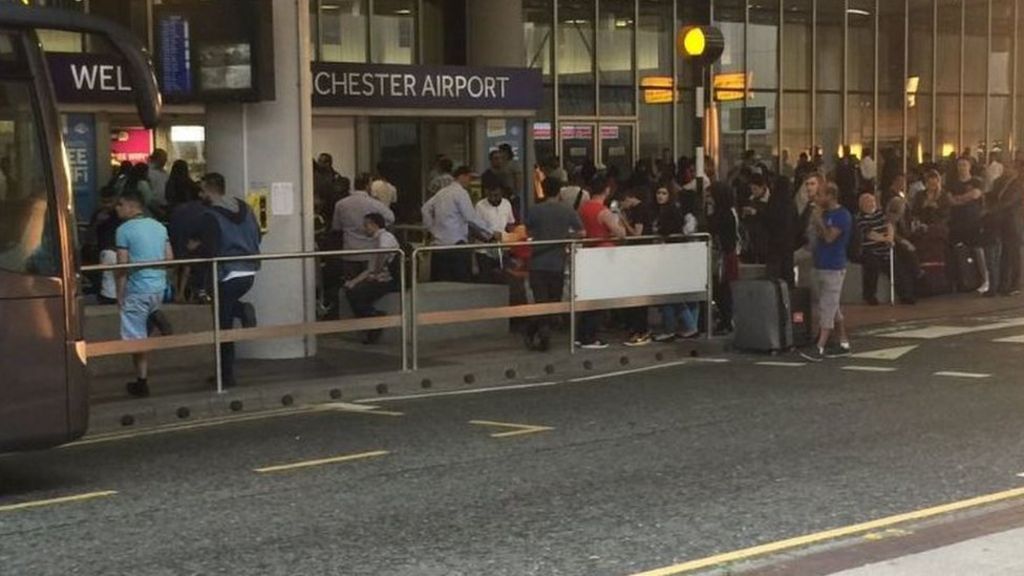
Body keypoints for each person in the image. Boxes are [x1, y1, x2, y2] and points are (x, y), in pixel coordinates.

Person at [192, 173, 261, 388]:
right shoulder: (245, 208)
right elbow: (258, 235)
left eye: (202, 190)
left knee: (223, 325)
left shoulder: (209, 215)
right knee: (226, 315)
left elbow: (210, 250)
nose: (200, 194)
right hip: (248, 270)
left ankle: (225, 376)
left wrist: (195, 250)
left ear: (209, 190)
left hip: (225, 273)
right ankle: (225, 373)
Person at [114, 188, 173, 398]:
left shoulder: (124, 230)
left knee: (134, 338)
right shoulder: (159, 227)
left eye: (120, 204)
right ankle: (155, 317)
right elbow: (169, 258)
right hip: (158, 287)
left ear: (131, 206)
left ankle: (142, 382)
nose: (117, 208)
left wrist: (120, 294)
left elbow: (122, 265)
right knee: (142, 332)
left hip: (137, 289)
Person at [524, 178, 584, 352]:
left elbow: (528, 231)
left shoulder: (535, 210)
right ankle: (542, 333)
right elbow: (581, 232)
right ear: (559, 192)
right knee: (554, 301)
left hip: (537, 261)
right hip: (557, 262)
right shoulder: (567, 210)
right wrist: (565, 238)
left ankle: (538, 332)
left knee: (540, 300)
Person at [800, 183, 853, 362]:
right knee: (832, 305)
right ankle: (843, 342)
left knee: (827, 307)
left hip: (834, 266)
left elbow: (830, 237)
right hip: (820, 263)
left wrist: (818, 221)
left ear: (830, 196)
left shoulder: (841, 215)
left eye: (821, 194)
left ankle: (820, 346)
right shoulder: (824, 213)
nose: (817, 198)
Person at [421, 165, 499, 282]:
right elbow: (471, 217)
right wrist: (490, 232)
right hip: (456, 246)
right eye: (469, 178)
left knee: (440, 285)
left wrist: (431, 228)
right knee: (460, 285)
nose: (470, 182)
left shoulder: (442, 192)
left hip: (439, 245)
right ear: (462, 176)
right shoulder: (461, 193)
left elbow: (425, 209)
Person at [576, 174, 627, 349]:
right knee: (599, 296)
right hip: (604, 254)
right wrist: (619, 219)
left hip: (588, 252)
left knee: (588, 294)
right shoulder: (603, 211)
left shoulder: (584, 207)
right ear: (607, 190)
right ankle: (590, 336)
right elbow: (621, 233)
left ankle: (581, 333)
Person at [651, 187, 701, 342]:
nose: (660, 196)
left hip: (671, 257)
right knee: (682, 294)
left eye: (664, 193)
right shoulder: (677, 212)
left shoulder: (671, 212)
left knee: (670, 294)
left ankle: (682, 326)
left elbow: (669, 230)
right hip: (682, 257)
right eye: (658, 192)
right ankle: (685, 325)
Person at [344, 213, 400, 345]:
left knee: (358, 294)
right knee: (351, 291)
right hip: (380, 278)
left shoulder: (385, 237)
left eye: (366, 225)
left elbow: (380, 258)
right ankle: (370, 320)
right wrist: (354, 282)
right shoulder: (376, 240)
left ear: (374, 225)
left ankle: (373, 319)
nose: (364, 228)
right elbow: (370, 268)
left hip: (389, 280)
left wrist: (374, 274)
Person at [332, 173, 396, 281]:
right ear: (368, 186)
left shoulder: (340, 204)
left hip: (349, 252)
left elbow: (336, 227)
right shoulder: (374, 204)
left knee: (350, 285)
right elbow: (391, 218)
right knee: (368, 284)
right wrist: (378, 227)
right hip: (369, 252)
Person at [948, 156, 989, 293]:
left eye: (964, 165)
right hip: (957, 221)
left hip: (974, 220)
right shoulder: (952, 182)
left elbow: (975, 194)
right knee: (959, 250)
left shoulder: (977, 181)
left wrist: (960, 198)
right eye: (959, 165)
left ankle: (985, 279)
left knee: (978, 249)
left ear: (969, 166)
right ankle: (964, 280)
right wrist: (966, 198)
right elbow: (950, 201)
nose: (962, 167)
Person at [620, 187, 654, 346]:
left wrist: (624, 221)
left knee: (639, 292)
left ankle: (641, 329)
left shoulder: (640, 210)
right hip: (639, 253)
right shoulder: (641, 209)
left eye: (623, 202)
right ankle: (638, 327)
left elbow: (637, 233)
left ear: (629, 198)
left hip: (641, 253)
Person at [709, 182, 739, 333]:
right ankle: (725, 319)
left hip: (724, 256)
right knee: (721, 289)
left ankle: (727, 320)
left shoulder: (724, 214)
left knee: (722, 289)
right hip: (725, 255)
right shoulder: (727, 212)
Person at [474, 173, 516, 283]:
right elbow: (475, 229)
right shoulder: (480, 206)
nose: (493, 198)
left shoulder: (507, 204)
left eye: (496, 195)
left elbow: (511, 224)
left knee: (504, 278)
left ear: (501, 192)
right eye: (491, 196)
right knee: (486, 279)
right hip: (484, 250)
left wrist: (511, 240)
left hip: (503, 248)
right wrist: (489, 238)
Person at [856, 192, 895, 305]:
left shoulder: (880, 214)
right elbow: (869, 234)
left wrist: (890, 238)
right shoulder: (860, 218)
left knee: (897, 265)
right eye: (868, 202)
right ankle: (870, 296)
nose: (871, 204)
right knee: (872, 265)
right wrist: (885, 239)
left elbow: (889, 225)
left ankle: (906, 294)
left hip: (885, 247)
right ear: (862, 205)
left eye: (872, 201)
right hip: (869, 249)